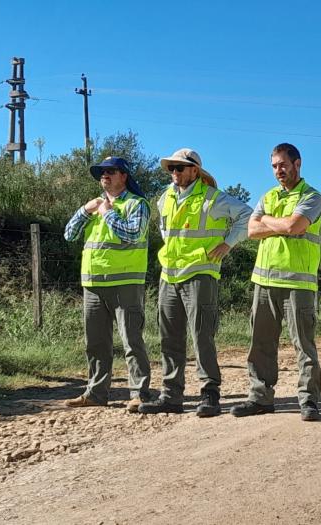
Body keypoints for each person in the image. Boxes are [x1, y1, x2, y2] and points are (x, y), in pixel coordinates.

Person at [138, 148, 251, 418]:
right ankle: (171, 395)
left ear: (194, 171)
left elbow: (248, 215)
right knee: (169, 338)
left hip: (201, 273)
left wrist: (228, 243)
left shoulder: (214, 199)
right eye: (171, 169)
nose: (174, 173)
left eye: (180, 168)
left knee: (202, 336)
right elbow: (167, 232)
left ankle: (210, 393)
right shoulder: (164, 199)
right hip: (169, 274)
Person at [230, 143, 321, 422]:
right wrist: (276, 223)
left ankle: (308, 401)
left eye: (283, 165)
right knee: (260, 343)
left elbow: (294, 227)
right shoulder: (268, 195)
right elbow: (251, 229)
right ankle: (260, 398)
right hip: (264, 281)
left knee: (303, 345)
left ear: (298, 164)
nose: (278, 171)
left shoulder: (312, 197)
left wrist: (268, 222)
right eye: (274, 166)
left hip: (299, 284)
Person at [63, 157, 152, 412]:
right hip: (92, 283)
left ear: (123, 176)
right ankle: (95, 393)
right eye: (101, 172)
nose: (105, 176)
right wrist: (84, 210)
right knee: (96, 343)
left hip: (126, 282)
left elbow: (133, 234)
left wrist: (108, 213)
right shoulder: (95, 206)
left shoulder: (137, 204)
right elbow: (69, 234)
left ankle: (139, 394)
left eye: (110, 171)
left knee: (131, 341)